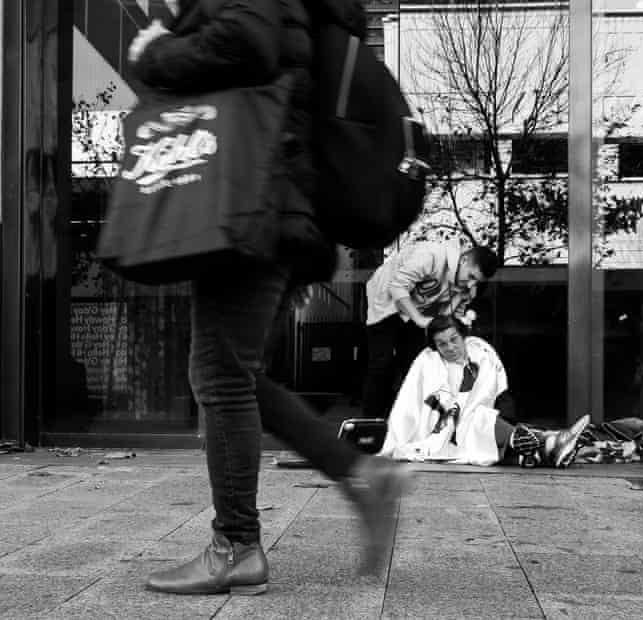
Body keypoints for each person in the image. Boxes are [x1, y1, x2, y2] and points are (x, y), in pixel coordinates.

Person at [128, 0, 411, 596]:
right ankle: (360, 474)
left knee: (220, 374)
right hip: (279, 202)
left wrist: (156, 50)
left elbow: (243, 43)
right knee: (235, 373)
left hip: (252, 199)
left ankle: (236, 545)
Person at [379, 315, 590, 467]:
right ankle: (551, 442)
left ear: (463, 336)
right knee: (478, 421)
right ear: (435, 347)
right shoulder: (428, 364)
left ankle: (546, 446)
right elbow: (409, 404)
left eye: (454, 340)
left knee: (480, 417)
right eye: (442, 344)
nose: (451, 347)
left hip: (477, 419)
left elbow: (486, 393)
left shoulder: (479, 354)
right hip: (441, 429)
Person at [361, 241, 499, 420]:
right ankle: (370, 421)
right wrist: (419, 319)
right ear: (464, 260)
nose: (471, 283)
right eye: (471, 276)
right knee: (382, 362)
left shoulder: (468, 289)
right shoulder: (430, 255)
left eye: (476, 281)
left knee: (414, 365)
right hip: (385, 301)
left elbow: (445, 320)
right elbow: (397, 286)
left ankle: (405, 420)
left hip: (417, 309)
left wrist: (457, 299)